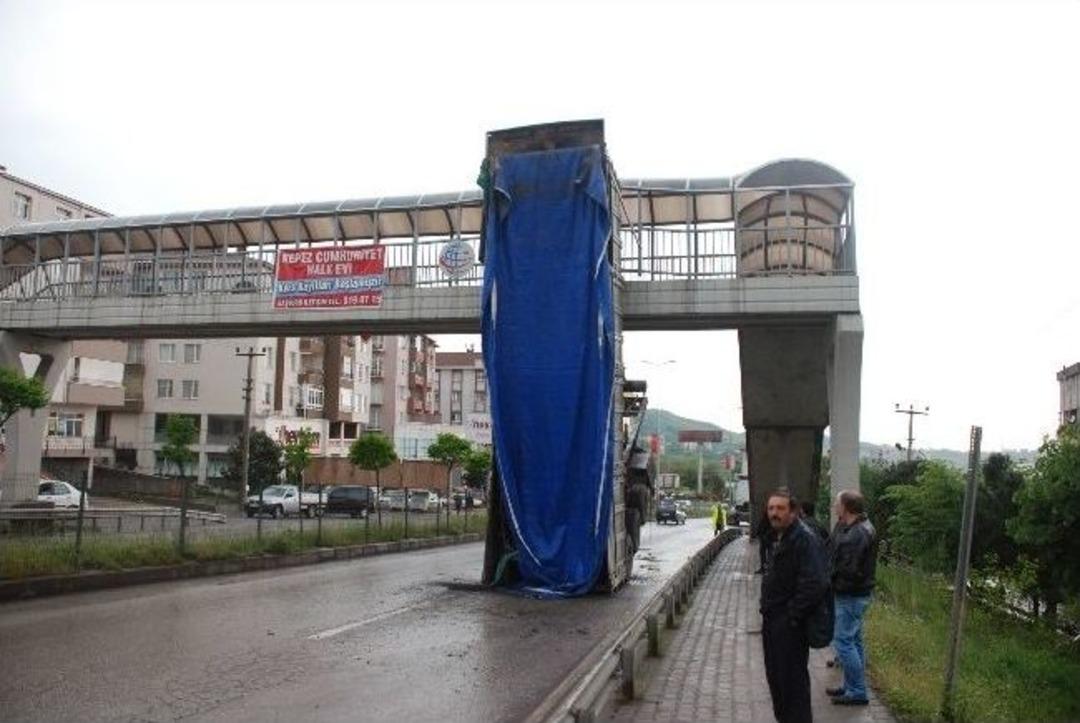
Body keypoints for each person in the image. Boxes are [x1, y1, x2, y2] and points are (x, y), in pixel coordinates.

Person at [760, 488, 830, 723]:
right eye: (771, 508)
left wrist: (792, 615)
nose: (774, 513)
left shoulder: (804, 539)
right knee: (778, 681)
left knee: (792, 684)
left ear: (793, 512)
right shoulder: (780, 536)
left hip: (789, 625)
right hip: (774, 622)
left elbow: (816, 582)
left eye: (780, 508)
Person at [826, 490, 877, 707]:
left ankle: (856, 691)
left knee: (843, 642)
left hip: (850, 594)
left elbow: (847, 568)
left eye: (837, 503)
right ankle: (851, 686)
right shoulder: (854, 527)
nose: (834, 506)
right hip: (856, 593)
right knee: (854, 641)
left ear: (846, 507)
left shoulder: (857, 533)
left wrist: (829, 582)